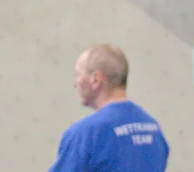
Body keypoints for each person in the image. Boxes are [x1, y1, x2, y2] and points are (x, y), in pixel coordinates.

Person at [49, 44, 170, 172]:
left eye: (78, 75)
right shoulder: (153, 129)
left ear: (95, 79)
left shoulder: (85, 135)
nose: (76, 83)